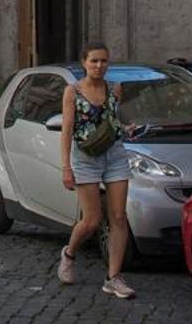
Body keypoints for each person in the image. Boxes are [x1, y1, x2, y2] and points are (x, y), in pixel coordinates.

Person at [57, 42, 136, 300]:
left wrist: (126, 127)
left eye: (103, 61)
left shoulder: (115, 89)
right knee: (91, 220)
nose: (99, 66)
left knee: (119, 216)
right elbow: (67, 131)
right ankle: (69, 254)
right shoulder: (73, 92)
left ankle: (113, 278)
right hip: (85, 158)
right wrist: (66, 167)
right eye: (94, 61)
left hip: (114, 155)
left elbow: (111, 121)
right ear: (84, 63)